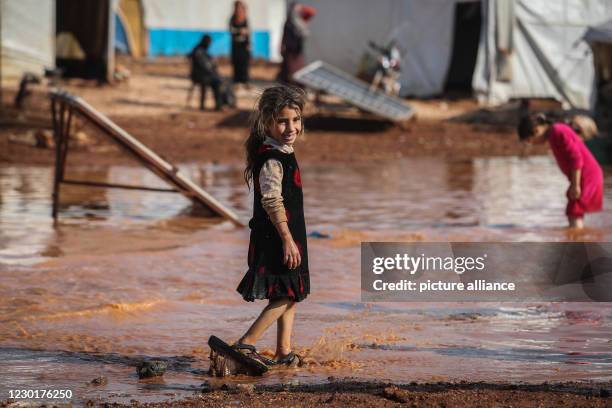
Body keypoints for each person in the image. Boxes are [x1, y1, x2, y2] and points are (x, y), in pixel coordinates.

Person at [234, 85, 310, 367]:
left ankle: (283, 351)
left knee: (290, 294)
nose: (291, 127)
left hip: (288, 235)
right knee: (286, 294)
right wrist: (288, 239)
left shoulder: (284, 151)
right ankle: (246, 343)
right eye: (283, 121)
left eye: (296, 119)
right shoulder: (271, 159)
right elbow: (271, 201)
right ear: (267, 122)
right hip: (277, 237)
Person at [518, 113, 604, 229]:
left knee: (574, 211)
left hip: (587, 175)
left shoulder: (558, 131)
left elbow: (576, 158)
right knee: (573, 211)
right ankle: (577, 239)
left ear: (536, 130)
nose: (532, 144)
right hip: (584, 175)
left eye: (529, 140)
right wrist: (573, 184)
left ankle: (577, 242)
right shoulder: (555, 133)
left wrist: (575, 185)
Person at [188, 35, 234, 110]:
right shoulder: (198, 51)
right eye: (209, 43)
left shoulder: (202, 50)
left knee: (222, 80)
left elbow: (210, 63)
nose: (209, 45)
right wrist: (213, 68)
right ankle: (220, 105)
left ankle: (221, 104)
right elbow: (205, 66)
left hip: (205, 75)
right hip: (200, 76)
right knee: (218, 82)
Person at [278, 3, 316, 85]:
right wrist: (281, 46)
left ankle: (296, 84)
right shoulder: (291, 23)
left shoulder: (299, 23)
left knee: (297, 70)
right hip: (291, 50)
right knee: (290, 70)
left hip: (297, 50)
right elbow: (285, 36)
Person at [229, 1, 250, 87]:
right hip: (236, 44)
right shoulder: (232, 18)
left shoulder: (245, 19)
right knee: (236, 62)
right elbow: (231, 30)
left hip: (244, 45)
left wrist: (248, 43)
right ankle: (236, 82)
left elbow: (248, 31)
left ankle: (245, 81)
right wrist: (239, 31)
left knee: (244, 63)